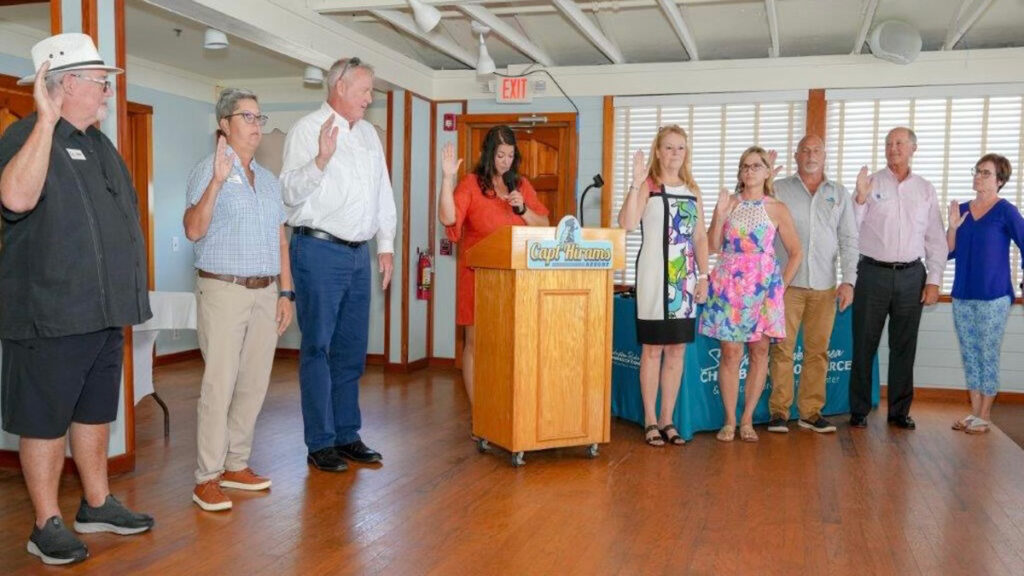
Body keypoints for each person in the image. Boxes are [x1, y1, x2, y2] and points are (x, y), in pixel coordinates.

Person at [0, 33, 154, 565]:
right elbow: (16, 198)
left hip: (104, 313)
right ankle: (45, 523)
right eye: (99, 81)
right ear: (65, 85)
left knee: (93, 413)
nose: (108, 90)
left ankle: (96, 503)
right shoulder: (24, 135)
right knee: (43, 420)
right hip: (49, 313)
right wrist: (44, 120)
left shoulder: (100, 144)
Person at [280, 57, 396, 472]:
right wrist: (320, 161)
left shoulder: (368, 135)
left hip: (359, 254)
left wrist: (386, 245)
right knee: (317, 348)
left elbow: (383, 191)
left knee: (351, 350)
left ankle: (348, 434)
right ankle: (320, 442)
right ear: (340, 87)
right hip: (318, 251)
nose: (369, 99)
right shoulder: (307, 130)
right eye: (365, 90)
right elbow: (288, 193)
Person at [184, 89, 294, 511]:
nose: (255, 124)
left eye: (258, 116)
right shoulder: (206, 171)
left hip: (266, 292)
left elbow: (279, 240)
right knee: (220, 383)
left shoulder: (268, 180)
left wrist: (286, 292)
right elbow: (194, 230)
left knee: (253, 383)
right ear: (224, 126)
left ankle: (235, 464)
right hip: (223, 290)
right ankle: (207, 476)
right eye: (245, 116)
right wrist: (215, 180)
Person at [438, 126, 549, 405]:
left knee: (512, 345)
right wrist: (447, 179)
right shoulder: (471, 184)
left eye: (511, 155)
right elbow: (448, 218)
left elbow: (546, 225)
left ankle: (507, 408)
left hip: (517, 281)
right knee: (477, 345)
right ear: (488, 154)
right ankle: (480, 414)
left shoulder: (520, 185)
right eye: (500, 155)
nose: (505, 161)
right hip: (478, 279)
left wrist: (523, 210)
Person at [699, 146, 802, 443]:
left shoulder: (778, 208)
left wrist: (778, 287)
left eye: (756, 165)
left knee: (759, 353)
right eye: (745, 166)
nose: (750, 171)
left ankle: (747, 420)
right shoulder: (729, 203)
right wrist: (718, 216)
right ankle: (730, 420)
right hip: (729, 284)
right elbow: (713, 245)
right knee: (731, 353)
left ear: (768, 171)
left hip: (763, 290)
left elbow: (796, 253)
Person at [617, 125, 709, 446]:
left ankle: (668, 419)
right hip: (654, 279)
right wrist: (634, 183)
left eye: (680, 148)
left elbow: (699, 236)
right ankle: (650, 421)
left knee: (676, 351)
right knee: (653, 351)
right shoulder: (648, 186)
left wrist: (704, 276)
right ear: (658, 151)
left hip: (683, 281)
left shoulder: (693, 189)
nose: (674, 154)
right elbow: (626, 223)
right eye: (668, 147)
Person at [849, 127, 946, 430]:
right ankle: (859, 410)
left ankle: (899, 412)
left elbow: (936, 238)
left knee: (905, 346)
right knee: (864, 342)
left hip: (911, 276)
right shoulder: (871, 183)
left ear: (913, 148)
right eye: (889, 143)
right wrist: (860, 199)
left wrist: (934, 279)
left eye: (900, 143)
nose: (893, 148)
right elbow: (851, 230)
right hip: (872, 273)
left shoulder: (925, 189)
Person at [767, 135, 858, 435]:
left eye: (816, 150)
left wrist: (849, 281)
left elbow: (848, 239)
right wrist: (765, 174)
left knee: (817, 352)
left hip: (825, 286)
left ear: (825, 155)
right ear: (796, 155)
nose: (810, 154)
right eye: (804, 149)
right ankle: (779, 413)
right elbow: (750, 207)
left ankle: (810, 412)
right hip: (787, 284)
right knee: (782, 349)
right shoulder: (779, 188)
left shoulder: (839, 193)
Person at [946, 154, 1024, 434]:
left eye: (986, 173)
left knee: (987, 353)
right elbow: (949, 251)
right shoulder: (963, 209)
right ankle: (974, 412)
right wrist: (953, 227)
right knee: (969, 353)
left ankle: (985, 415)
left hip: (994, 295)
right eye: (977, 171)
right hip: (963, 293)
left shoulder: (1006, 211)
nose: (978, 176)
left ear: (1000, 180)